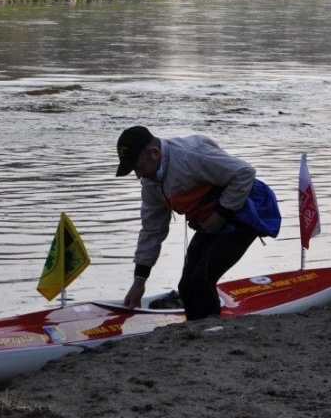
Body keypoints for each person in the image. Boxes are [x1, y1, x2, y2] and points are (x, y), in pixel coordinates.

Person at [115, 126, 279, 321]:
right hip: (211, 219)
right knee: (186, 285)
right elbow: (152, 231)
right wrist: (139, 281)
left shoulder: (191, 155)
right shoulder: (151, 184)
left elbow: (245, 173)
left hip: (245, 210)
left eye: (138, 168)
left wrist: (221, 213)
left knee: (202, 278)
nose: (138, 176)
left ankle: (211, 329)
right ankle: (195, 328)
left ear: (154, 153)